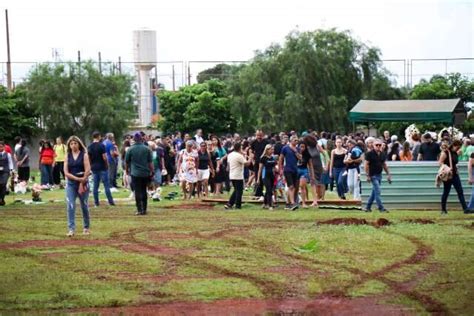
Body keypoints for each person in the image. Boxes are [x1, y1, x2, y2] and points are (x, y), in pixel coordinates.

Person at [63, 136, 91, 237]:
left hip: (83, 182)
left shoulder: (84, 155)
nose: (73, 145)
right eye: (71, 144)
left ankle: (86, 227)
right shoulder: (67, 156)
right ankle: (71, 229)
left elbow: (88, 170)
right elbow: (66, 172)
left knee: (84, 204)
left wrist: (82, 181)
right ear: (69, 146)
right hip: (71, 183)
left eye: (75, 143)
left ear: (79, 144)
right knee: (70, 205)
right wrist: (77, 179)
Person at [439, 140, 471, 214]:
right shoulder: (445, 152)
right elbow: (440, 163)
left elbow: (454, 162)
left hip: (455, 175)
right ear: (454, 145)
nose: (459, 149)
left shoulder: (454, 153)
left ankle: (465, 209)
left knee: (460, 191)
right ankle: (443, 210)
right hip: (448, 175)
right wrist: (447, 169)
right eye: (458, 147)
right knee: (446, 192)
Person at [125, 133, 154, 215]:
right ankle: (144, 209)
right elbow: (150, 162)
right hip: (145, 173)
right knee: (144, 190)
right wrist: (152, 171)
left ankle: (139, 209)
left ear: (134, 139)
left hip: (135, 173)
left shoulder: (130, 149)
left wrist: (127, 170)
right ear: (142, 139)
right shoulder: (147, 149)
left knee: (137, 191)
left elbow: (127, 162)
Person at [88, 131, 115, 207]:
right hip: (102, 167)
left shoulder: (90, 147)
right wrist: (106, 165)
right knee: (106, 185)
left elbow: (89, 158)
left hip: (94, 168)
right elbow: (104, 157)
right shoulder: (101, 145)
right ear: (98, 136)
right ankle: (110, 201)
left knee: (95, 186)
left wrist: (90, 166)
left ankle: (96, 202)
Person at [364, 139, 391, 213]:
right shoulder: (369, 154)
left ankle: (367, 207)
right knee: (378, 191)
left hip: (379, 174)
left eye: (380, 145)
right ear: (373, 145)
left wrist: (388, 174)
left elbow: (384, 165)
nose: (378, 146)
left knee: (374, 192)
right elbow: (366, 165)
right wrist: (367, 175)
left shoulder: (382, 154)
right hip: (372, 175)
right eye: (377, 145)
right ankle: (381, 208)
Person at [225, 142, 252, 210]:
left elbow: (228, 165)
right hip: (238, 175)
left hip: (232, 174)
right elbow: (247, 164)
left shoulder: (230, 155)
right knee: (239, 191)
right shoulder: (239, 156)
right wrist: (251, 158)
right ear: (240, 148)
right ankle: (238, 205)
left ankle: (230, 203)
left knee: (236, 190)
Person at [279, 135, 301, 210]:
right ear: (291, 140)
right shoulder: (285, 148)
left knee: (294, 187)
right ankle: (292, 203)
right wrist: (280, 169)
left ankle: (288, 202)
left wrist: (295, 151)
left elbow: (300, 158)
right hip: (287, 169)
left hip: (295, 169)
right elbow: (281, 159)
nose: (296, 141)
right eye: (295, 140)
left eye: (297, 140)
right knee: (290, 186)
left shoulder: (298, 149)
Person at [250, 130, 269, 199]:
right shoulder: (253, 142)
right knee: (257, 177)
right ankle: (258, 192)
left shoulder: (266, 142)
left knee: (264, 177)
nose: (259, 137)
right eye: (257, 135)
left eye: (260, 135)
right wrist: (252, 160)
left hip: (264, 162)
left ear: (263, 135)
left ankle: (267, 192)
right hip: (257, 161)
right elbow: (251, 151)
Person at [257, 144, 277, 210]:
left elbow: (274, 167)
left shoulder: (272, 158)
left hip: (272, 176)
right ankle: (270, 205)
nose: (272, 150)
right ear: (267, 150)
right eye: (271, 149)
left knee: (270, 189)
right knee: (268, 190)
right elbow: (260, 169)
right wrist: (258, 179)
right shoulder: (263, 158)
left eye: (273, 149)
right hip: (265, 176)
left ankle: (265, 203)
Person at [304, 135, 322, 207]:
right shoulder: (306, 149)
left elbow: (325, 153)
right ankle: (315, 201)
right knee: (313, 183)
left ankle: (318, 197)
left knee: (318, 183)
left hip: (318, 166)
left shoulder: (317, 147)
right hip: (311, 167)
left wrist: (326, 164)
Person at [0, 141, 14, 206]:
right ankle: (1, 199)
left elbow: (10, 162)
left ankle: (2, 198)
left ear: (3, 147)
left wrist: (11, 170)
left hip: (5, 171)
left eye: (1, 146)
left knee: (3, 184)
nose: (0, 148)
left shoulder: (8, 154)